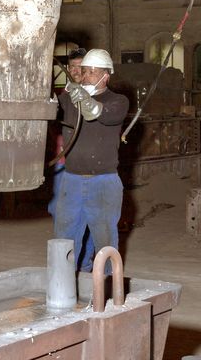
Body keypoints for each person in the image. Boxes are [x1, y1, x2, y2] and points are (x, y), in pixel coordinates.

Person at [48, 48, 129, 273]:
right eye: (84, 71)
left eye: (93, 72)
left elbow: (99, 113)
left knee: (104, 240)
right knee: (64, 239)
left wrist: (85, 99)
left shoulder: (118, 101)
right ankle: (62, 289)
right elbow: (47, 109)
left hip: (103, 182)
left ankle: (107, 293)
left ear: (107, 75)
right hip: (71, 181)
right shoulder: (68, 99)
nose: (86, 76)